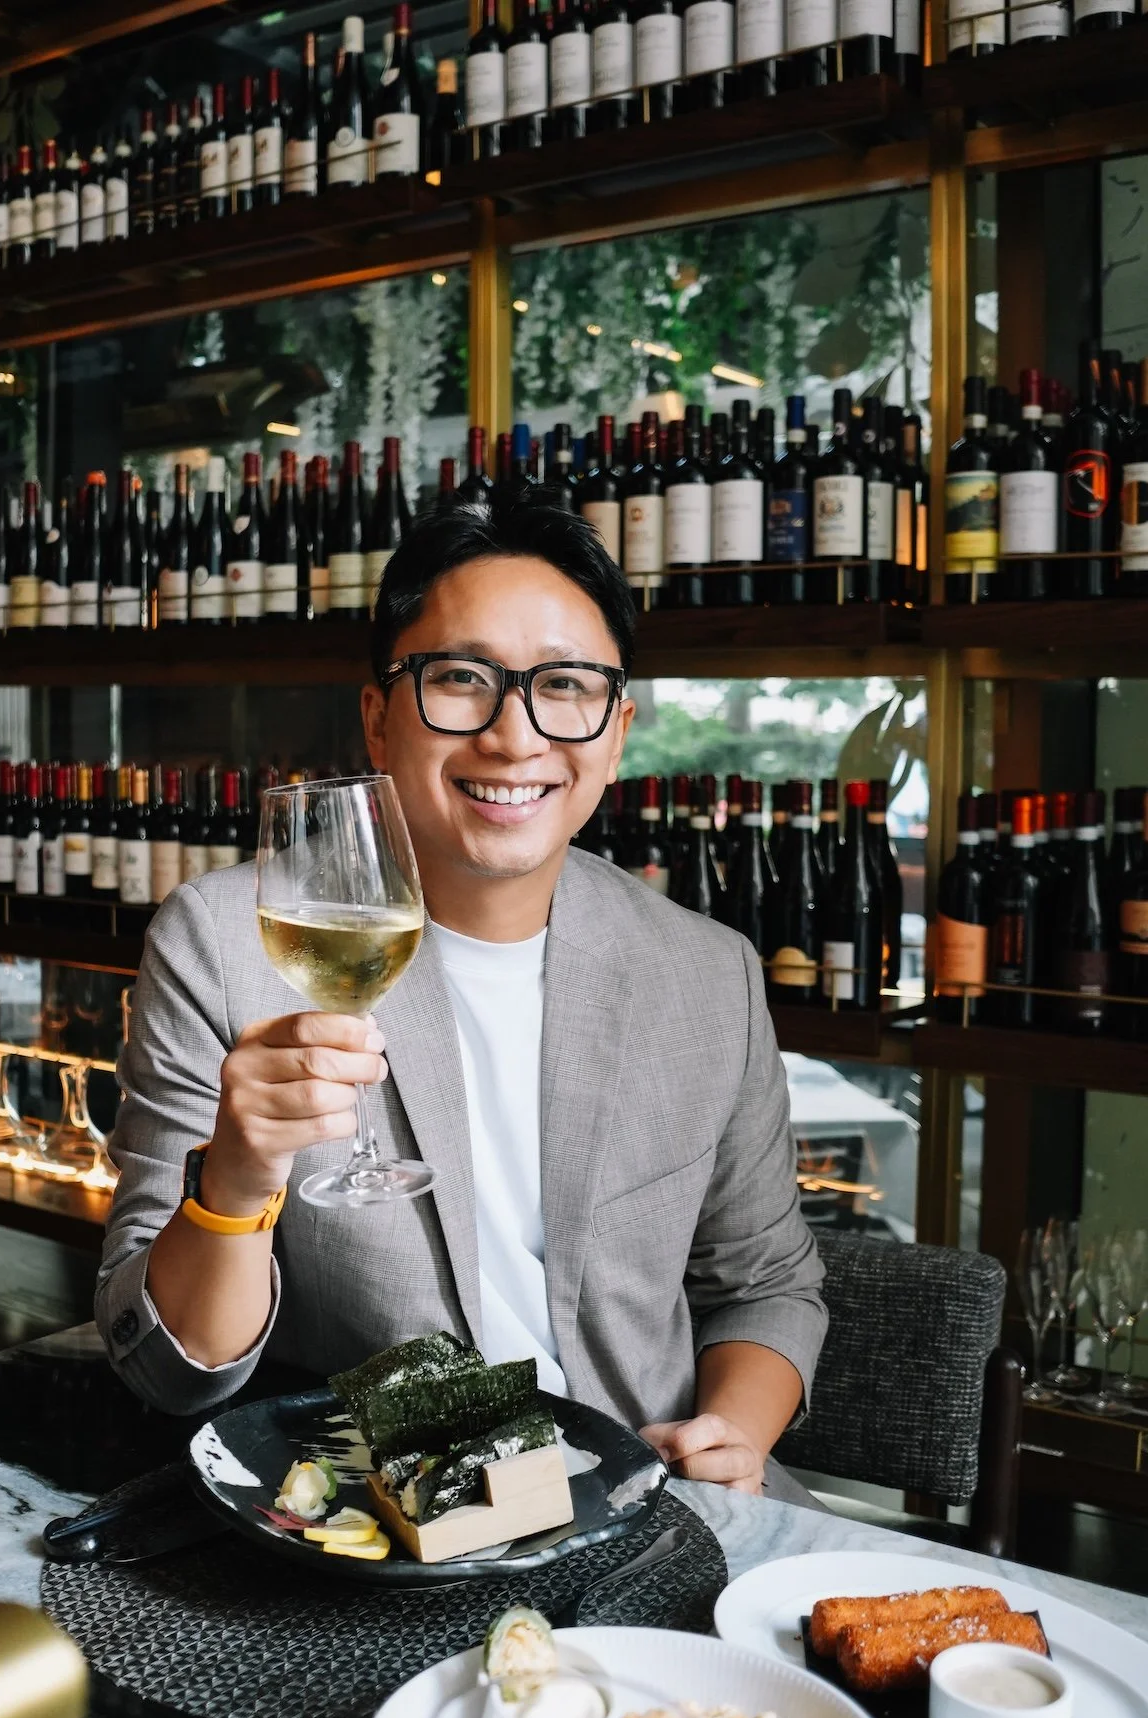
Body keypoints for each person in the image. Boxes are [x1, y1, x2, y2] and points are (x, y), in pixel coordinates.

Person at [97, 494, 826, 1503]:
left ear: (615, 734)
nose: (511, 735)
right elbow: (164, 1368)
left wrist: (730, 1437)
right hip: (392, 1523)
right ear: (379, 717)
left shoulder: (707, 973)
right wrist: (235, 1176)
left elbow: (766, 1286)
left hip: (660, 1498)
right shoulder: (224, 946)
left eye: (562, 687)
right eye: (459, 680)